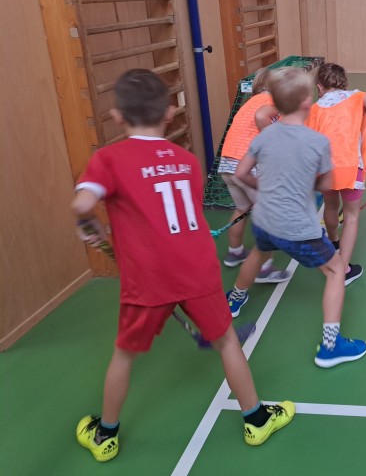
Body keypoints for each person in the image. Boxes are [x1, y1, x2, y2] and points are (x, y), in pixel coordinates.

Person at [71, 69, 294, 462]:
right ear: (169, 113)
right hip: (197, 271)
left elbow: (83, 204)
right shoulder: (187, 161)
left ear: (117, 117)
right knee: (227, 342)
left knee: (124, 354)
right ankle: (257, 419)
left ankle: (105, 434)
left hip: (148, 280)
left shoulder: (107, 159)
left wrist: (88, 224)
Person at [227, 67, 366, 368]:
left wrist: (264, 187)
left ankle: (235, 300)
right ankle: (330, 346)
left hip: (265, 218)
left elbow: (241, 172)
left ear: (276, 102)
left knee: (259, 252)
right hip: (297, 226)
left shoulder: (267, 135)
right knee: (336, 271)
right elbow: (326, 184)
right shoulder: (317, 142)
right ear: (307, 102)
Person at [306, 62, 366, 285]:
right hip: (350, 167)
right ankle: (343, 269)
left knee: (330, 207)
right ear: (344, 82)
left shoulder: (315, 108)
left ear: (319, 86)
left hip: (325, 170)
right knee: (351, 216)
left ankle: (333, 242)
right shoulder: (357, 96)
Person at [217, 67, 287, 283]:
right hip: (247, 166)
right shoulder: (273, 105)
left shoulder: (249, 103)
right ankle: (264, 268)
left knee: (242, 208)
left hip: (227, 164)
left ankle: (235, 251)